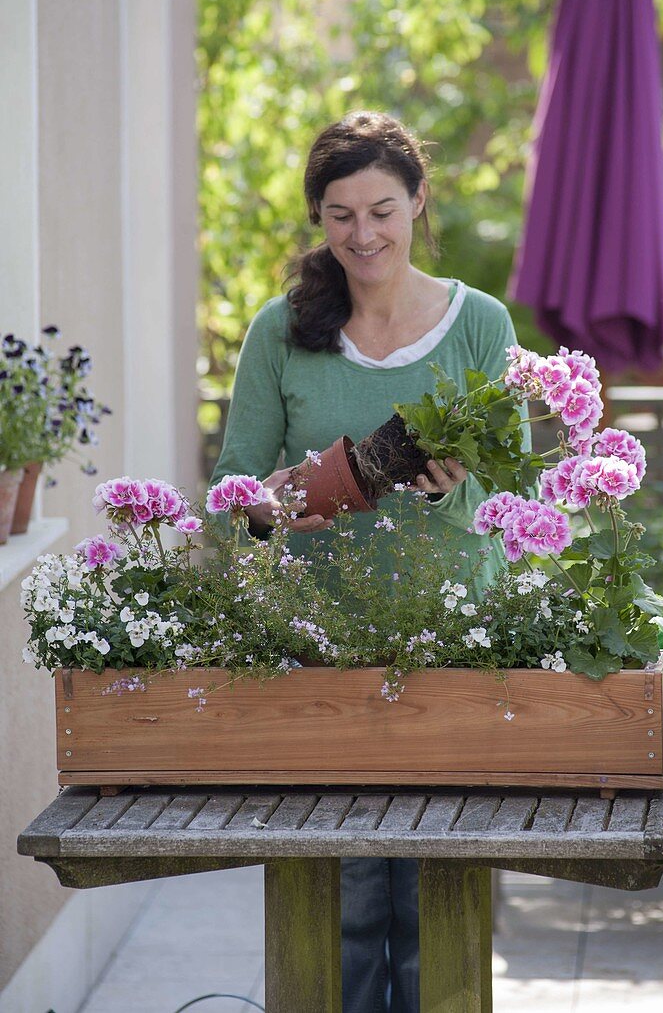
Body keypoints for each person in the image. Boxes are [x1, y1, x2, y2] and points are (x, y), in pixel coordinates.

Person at [211, 110, 525, 1012]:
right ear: (320, 219)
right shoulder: (281, 331)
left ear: (419, 202)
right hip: (325, 648)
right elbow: (233, 488)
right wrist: (266, 509)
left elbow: (518, 499)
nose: (365, 235)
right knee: (344, 901)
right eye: (342, 215)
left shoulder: (480, 323)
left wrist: (443, 491)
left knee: (439, 896)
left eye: (383, 210)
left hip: (454, 645)